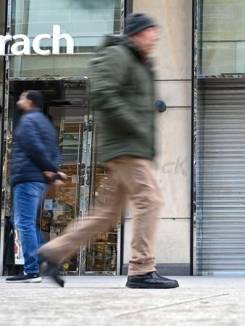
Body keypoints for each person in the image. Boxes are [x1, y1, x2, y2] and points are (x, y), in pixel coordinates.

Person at [38, 13, 179, 289]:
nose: (156, 38)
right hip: (125, 146)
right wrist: (135, 124)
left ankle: (53, 252)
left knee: (107, 213)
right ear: (138, 33)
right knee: (150, 200)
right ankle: (141, 269)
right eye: (152, 32)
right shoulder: (119, 54)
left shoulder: (137, 61)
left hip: (130, 145)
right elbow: (103, 93)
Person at [6, 90, 63, 283]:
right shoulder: (46, 124)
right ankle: (44, 258)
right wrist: (53, 171)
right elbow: (55, 150)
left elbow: (33, 147)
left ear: (30, 102)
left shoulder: (28, 121)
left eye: (22, 98)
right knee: (20, 221)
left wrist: (49, 168)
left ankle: (33, 269)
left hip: (26, 178)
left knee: (23, 222)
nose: (20, 101)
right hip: (38, 180)